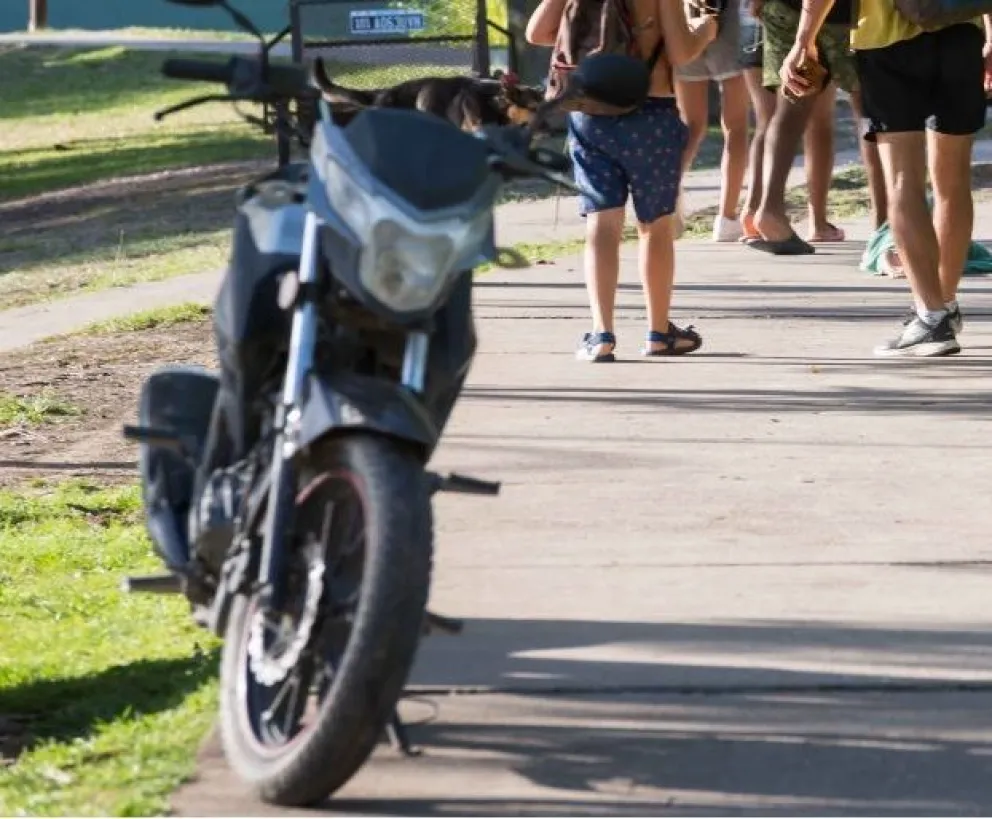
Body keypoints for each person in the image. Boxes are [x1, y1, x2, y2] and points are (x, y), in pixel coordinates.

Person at [781, 0, 991, 355]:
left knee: (903, 180)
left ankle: (932, 316)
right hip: (961, 32)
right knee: (953, 181)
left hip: (887, 41)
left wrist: (804, 40)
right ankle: (945, 304)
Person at [526, 0, 718, 361]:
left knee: (602, 221)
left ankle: (602, 335)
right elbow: (681, 52)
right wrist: (706, 28)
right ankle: (659, 334)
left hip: (590, 115)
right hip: (652, 114)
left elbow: (537, 33)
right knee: (655, 226)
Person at [746, 0, 887, 255]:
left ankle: (770, 210)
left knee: (791, 106)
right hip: (843, 15)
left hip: (783, 8)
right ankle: (884, 223)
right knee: (870, 110)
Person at [675, 0, 750, 242]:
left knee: (691, 126)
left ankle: (667, 202)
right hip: (731, 20)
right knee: (736, 126)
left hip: (686, 19)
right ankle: (726, 217)